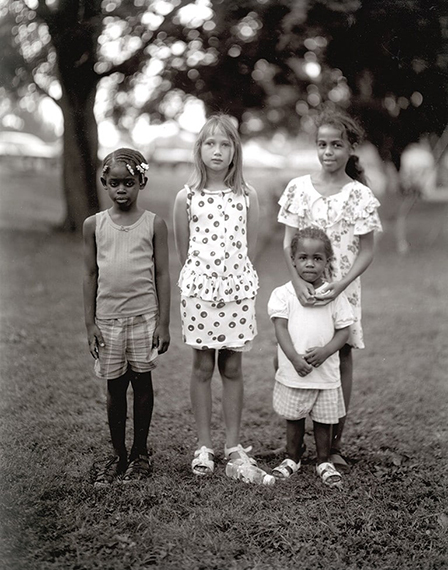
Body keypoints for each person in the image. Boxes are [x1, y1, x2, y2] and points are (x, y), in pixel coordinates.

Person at [277, 110, 382, 470]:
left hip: (342, 288)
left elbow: (367, 250)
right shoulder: (298, 189)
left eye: (336, 145)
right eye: (321, 144)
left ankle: (333, 441)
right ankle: (295, 440)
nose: (328, 152)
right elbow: (287, 243)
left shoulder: (360, 195)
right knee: (297, 350)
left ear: (350, 147)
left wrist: (341, 284)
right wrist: (297, 284)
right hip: (302, 290)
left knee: (341, 355)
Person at [173, 114, 260, 476]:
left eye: (225, 144)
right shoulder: (186, 197)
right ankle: (204, 446)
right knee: (203, 365)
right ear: (199, 149)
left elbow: (249, 249)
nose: (218, 151)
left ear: (235, 151)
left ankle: (234, 445)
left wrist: (231, 280)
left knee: (233, 366)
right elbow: (184, 251)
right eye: (210, 143)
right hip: (200, 293)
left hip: (238, 290)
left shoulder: (247, 196)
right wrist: (207, 281)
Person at [83, 148, 170, 487]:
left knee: (142, 386)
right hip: (107, 322)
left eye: (129, 183)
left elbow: (162, 274)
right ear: (105, 183)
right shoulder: (94, 225)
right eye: (114, 183)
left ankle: (140, 453)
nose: (121, 190)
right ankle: (118, 453)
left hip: (144, 318)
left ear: (141, 182)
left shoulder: (154, 224)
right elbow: (90, 274)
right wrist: (89, 323)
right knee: (114, 389)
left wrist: (163, 323)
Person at [268, 227, 354, 487]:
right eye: (303, 257)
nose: (310, 263)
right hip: (295, 371)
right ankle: (292, 457)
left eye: (317, 258)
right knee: (294, 417)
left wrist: (327, 351)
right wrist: (294, 358)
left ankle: (323, 460)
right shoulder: (283, 294)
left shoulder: (333, 295)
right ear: (293, 259)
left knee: (324, 420)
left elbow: (344, 331)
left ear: (327, 262)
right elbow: (280, 328)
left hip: (325, 374)